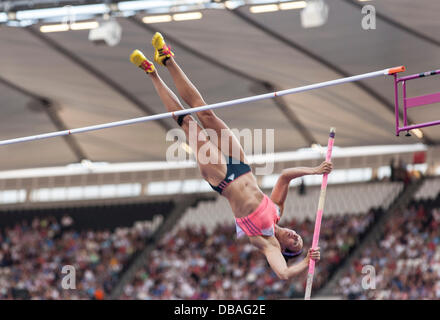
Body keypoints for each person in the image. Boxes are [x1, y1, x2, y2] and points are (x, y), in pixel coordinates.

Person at [130, 33, 332, 280]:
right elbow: (285, 176)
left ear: (284, 250)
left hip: (222, 179)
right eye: (299, 237)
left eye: (295, 245)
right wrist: (315, 170)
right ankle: (167, 58)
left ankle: (151, 72)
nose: (295, 237)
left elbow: (284, 274)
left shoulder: (265, 243)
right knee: (207, 114)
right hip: (241, 165)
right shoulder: (278, 211)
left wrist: (308, 263)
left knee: (189, 124)